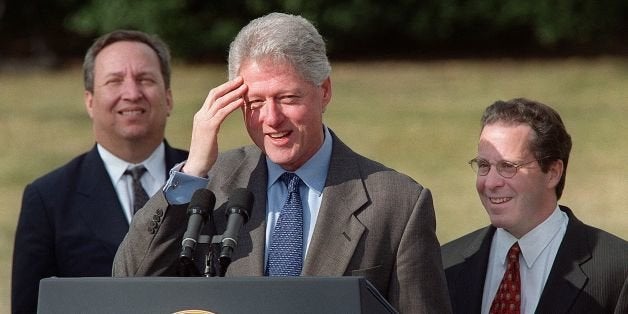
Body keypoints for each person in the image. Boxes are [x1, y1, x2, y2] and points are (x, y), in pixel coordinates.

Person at [113, 12, 452, 313]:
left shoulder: (398, 202)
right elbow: (130, 279)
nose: (272, 118)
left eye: (288, 98)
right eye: (255, 102)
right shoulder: (212, 185)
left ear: (325, 92)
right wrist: (193, 171)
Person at [11, 30, 188, 313]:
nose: (132, 93)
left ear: (168, 98)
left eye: (145, 79)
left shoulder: (212, 179)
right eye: (114, 81)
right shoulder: (47, 199)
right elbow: (30, 307)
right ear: (90, 101)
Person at [441, 98, 628, 313]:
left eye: (508, 166)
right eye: (484, 165)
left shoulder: (618, 270)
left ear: (553, 172)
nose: (490, 183)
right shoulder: (445, 265)